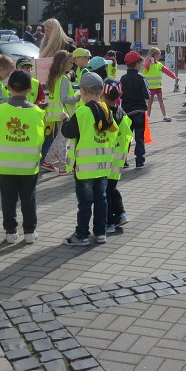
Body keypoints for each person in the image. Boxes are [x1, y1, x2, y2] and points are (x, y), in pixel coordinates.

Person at [61, 72, 117, 246]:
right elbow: (113, 133)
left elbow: (68, 132)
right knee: (101, 200)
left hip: (85, 168)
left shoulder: (82, 112)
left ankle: (82, 235)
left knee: (85, 204)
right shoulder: (106, 110)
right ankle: (100, 233)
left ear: (84, 91)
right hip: (102, 166)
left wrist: (65, 120)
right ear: (100, 92)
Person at [0, 69, 44, 245]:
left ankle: (10, 232)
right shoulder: (37, 112)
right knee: (28, 198)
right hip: (29, 166)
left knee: (8, 199)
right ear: (30, 89)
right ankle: (29, 232)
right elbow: (40, 138)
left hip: (5, 165)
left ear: (8, 87)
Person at [41, 49, 77, 173]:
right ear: (63, 63)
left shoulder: (55, 78)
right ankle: (63, 166)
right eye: (70, 62)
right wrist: (77, 97)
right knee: (62, 139)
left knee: (60, 138)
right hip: (63, 113)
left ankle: (48, 160)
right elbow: (64, 98)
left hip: (55, 112)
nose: (72, 64)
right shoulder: (63, 80)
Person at [103, 80, 132, 232]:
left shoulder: (101, 114)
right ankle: (120, 214)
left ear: (102, 94)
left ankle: (108, 223)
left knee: (105, 192)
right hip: (118, 160)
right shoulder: (124, 115)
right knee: (112, 188)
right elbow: (128, 138)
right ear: (120, 94)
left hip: (104, 160)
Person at [120, 50, 150, 168]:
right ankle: (139, 160)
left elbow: (120, 94)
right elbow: (147, 94)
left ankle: (123, 160)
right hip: (139, 112)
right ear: (137, 64)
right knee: (139, 137)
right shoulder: (141, 78)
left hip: (126, 112)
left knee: (126, 137)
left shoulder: (122, 78)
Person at [144, 47, 179, 122]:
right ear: (155, 55)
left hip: (158, 87)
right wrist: (150, 59)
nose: (160, 56)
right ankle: (148, 117)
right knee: (150, 103)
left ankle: (165, 116)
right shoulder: (149, 63)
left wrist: (174, 77)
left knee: (161, 101)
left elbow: (167, 71)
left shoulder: (159, 64)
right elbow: (145, 68)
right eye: (159, 54)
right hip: (150, 87)